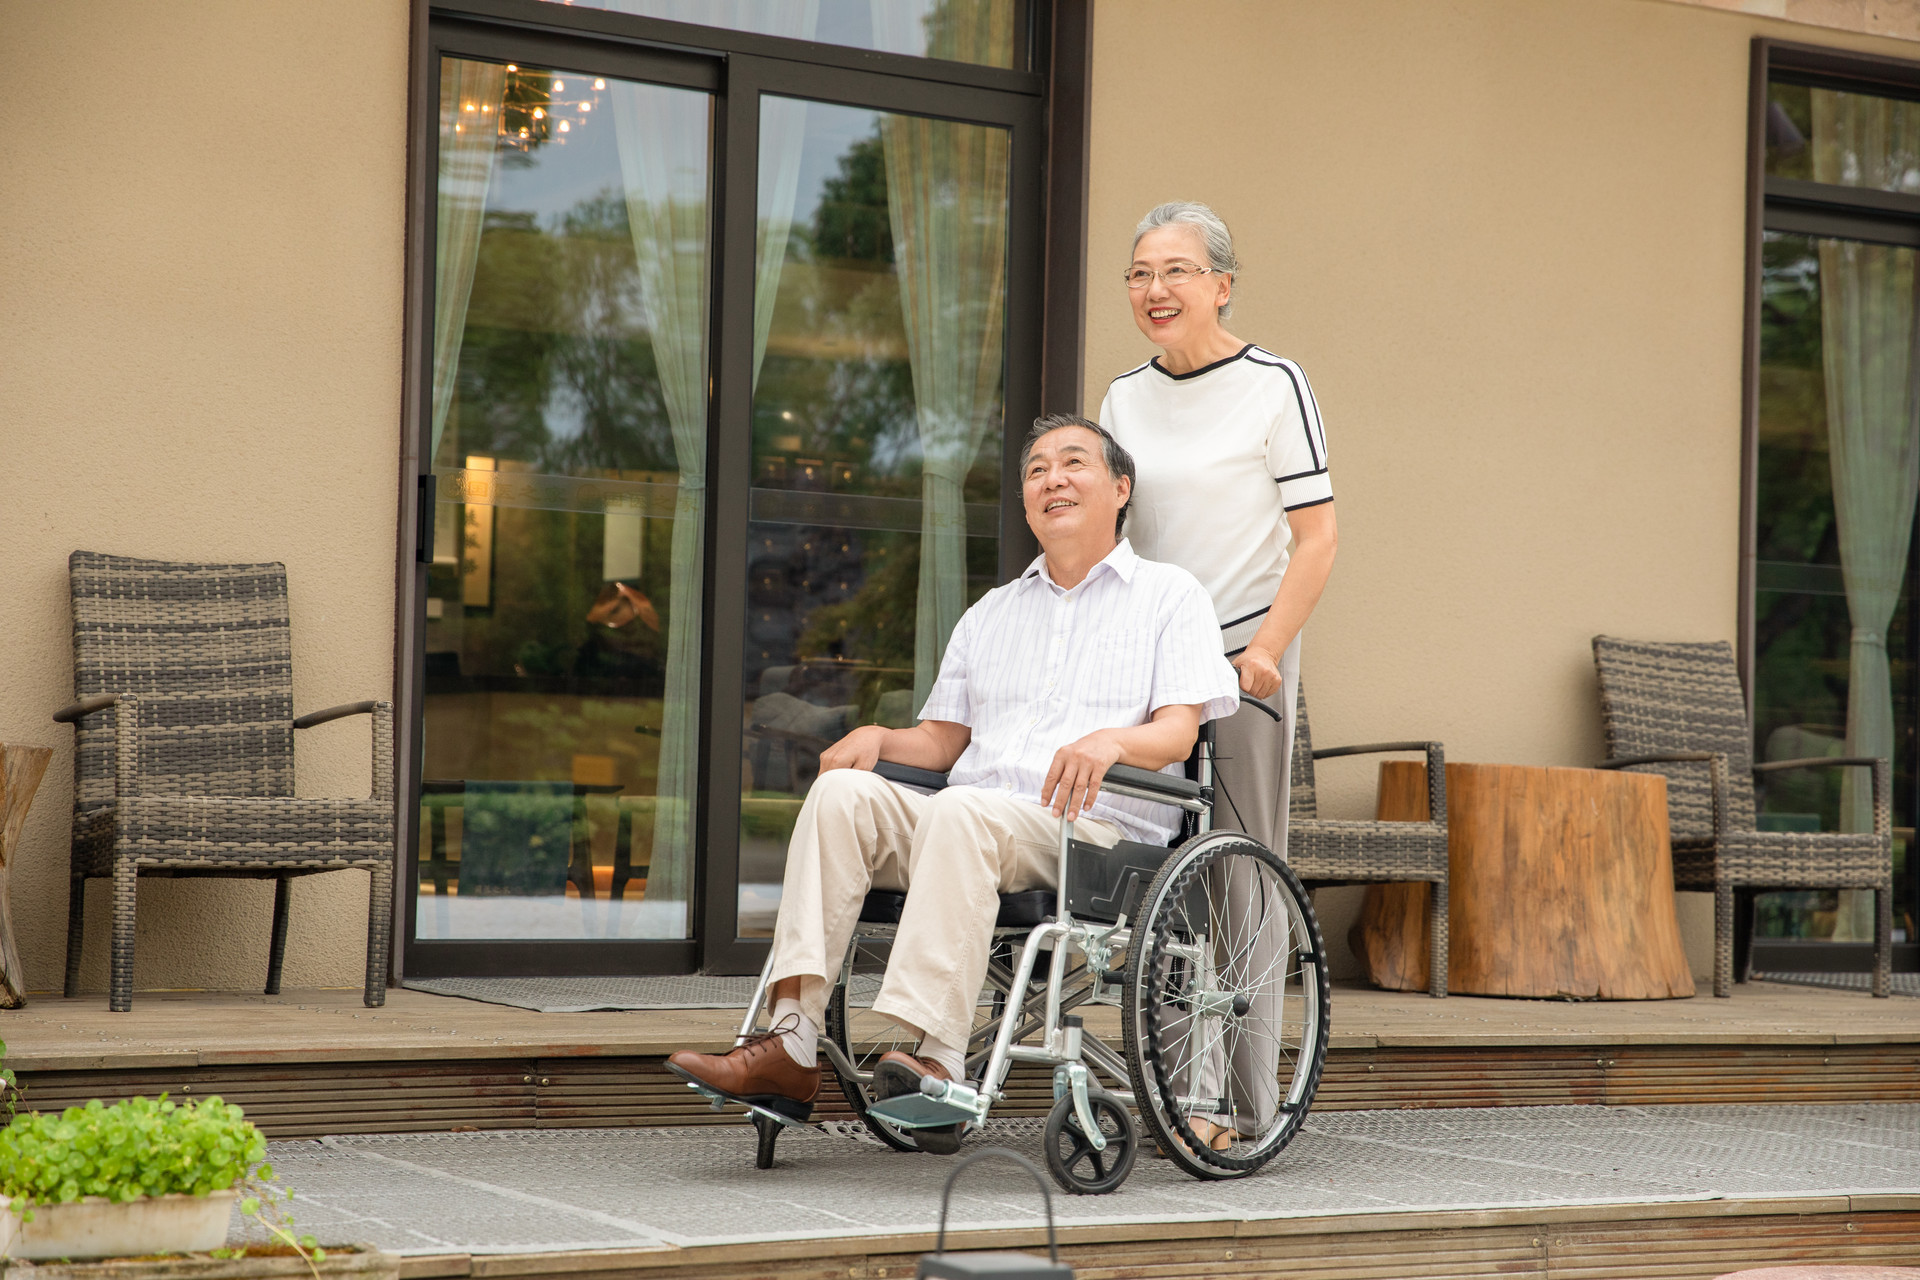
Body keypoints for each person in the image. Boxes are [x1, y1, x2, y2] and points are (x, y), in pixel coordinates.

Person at [667, 414, 1240, 1153]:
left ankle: (934, 1054)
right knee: (843, 794)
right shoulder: (991, 613)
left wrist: (1112, 740)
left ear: (1119, 488)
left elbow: (1178, 733)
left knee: (962, 810)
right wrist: (880, 737)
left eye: (1073, 463)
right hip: (968, 823)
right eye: (1036, 470)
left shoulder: (1170, 596)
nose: (1052, 479)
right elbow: (941, 744)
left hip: (1094, 833)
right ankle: (791, 1045)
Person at [1098, 201, 1338, 1153]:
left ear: (1222, 285)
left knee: (1239, 879)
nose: (1155, 291)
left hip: (1244, 654)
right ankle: (1168, 1088)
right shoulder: (1123, 397)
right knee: (1154, 876)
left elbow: (1316, 537)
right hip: (1152, 660)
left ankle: (1244, 1104)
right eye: (1139, 274)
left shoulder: (1275, 384)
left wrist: (1269, 650)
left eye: (1177, 272)